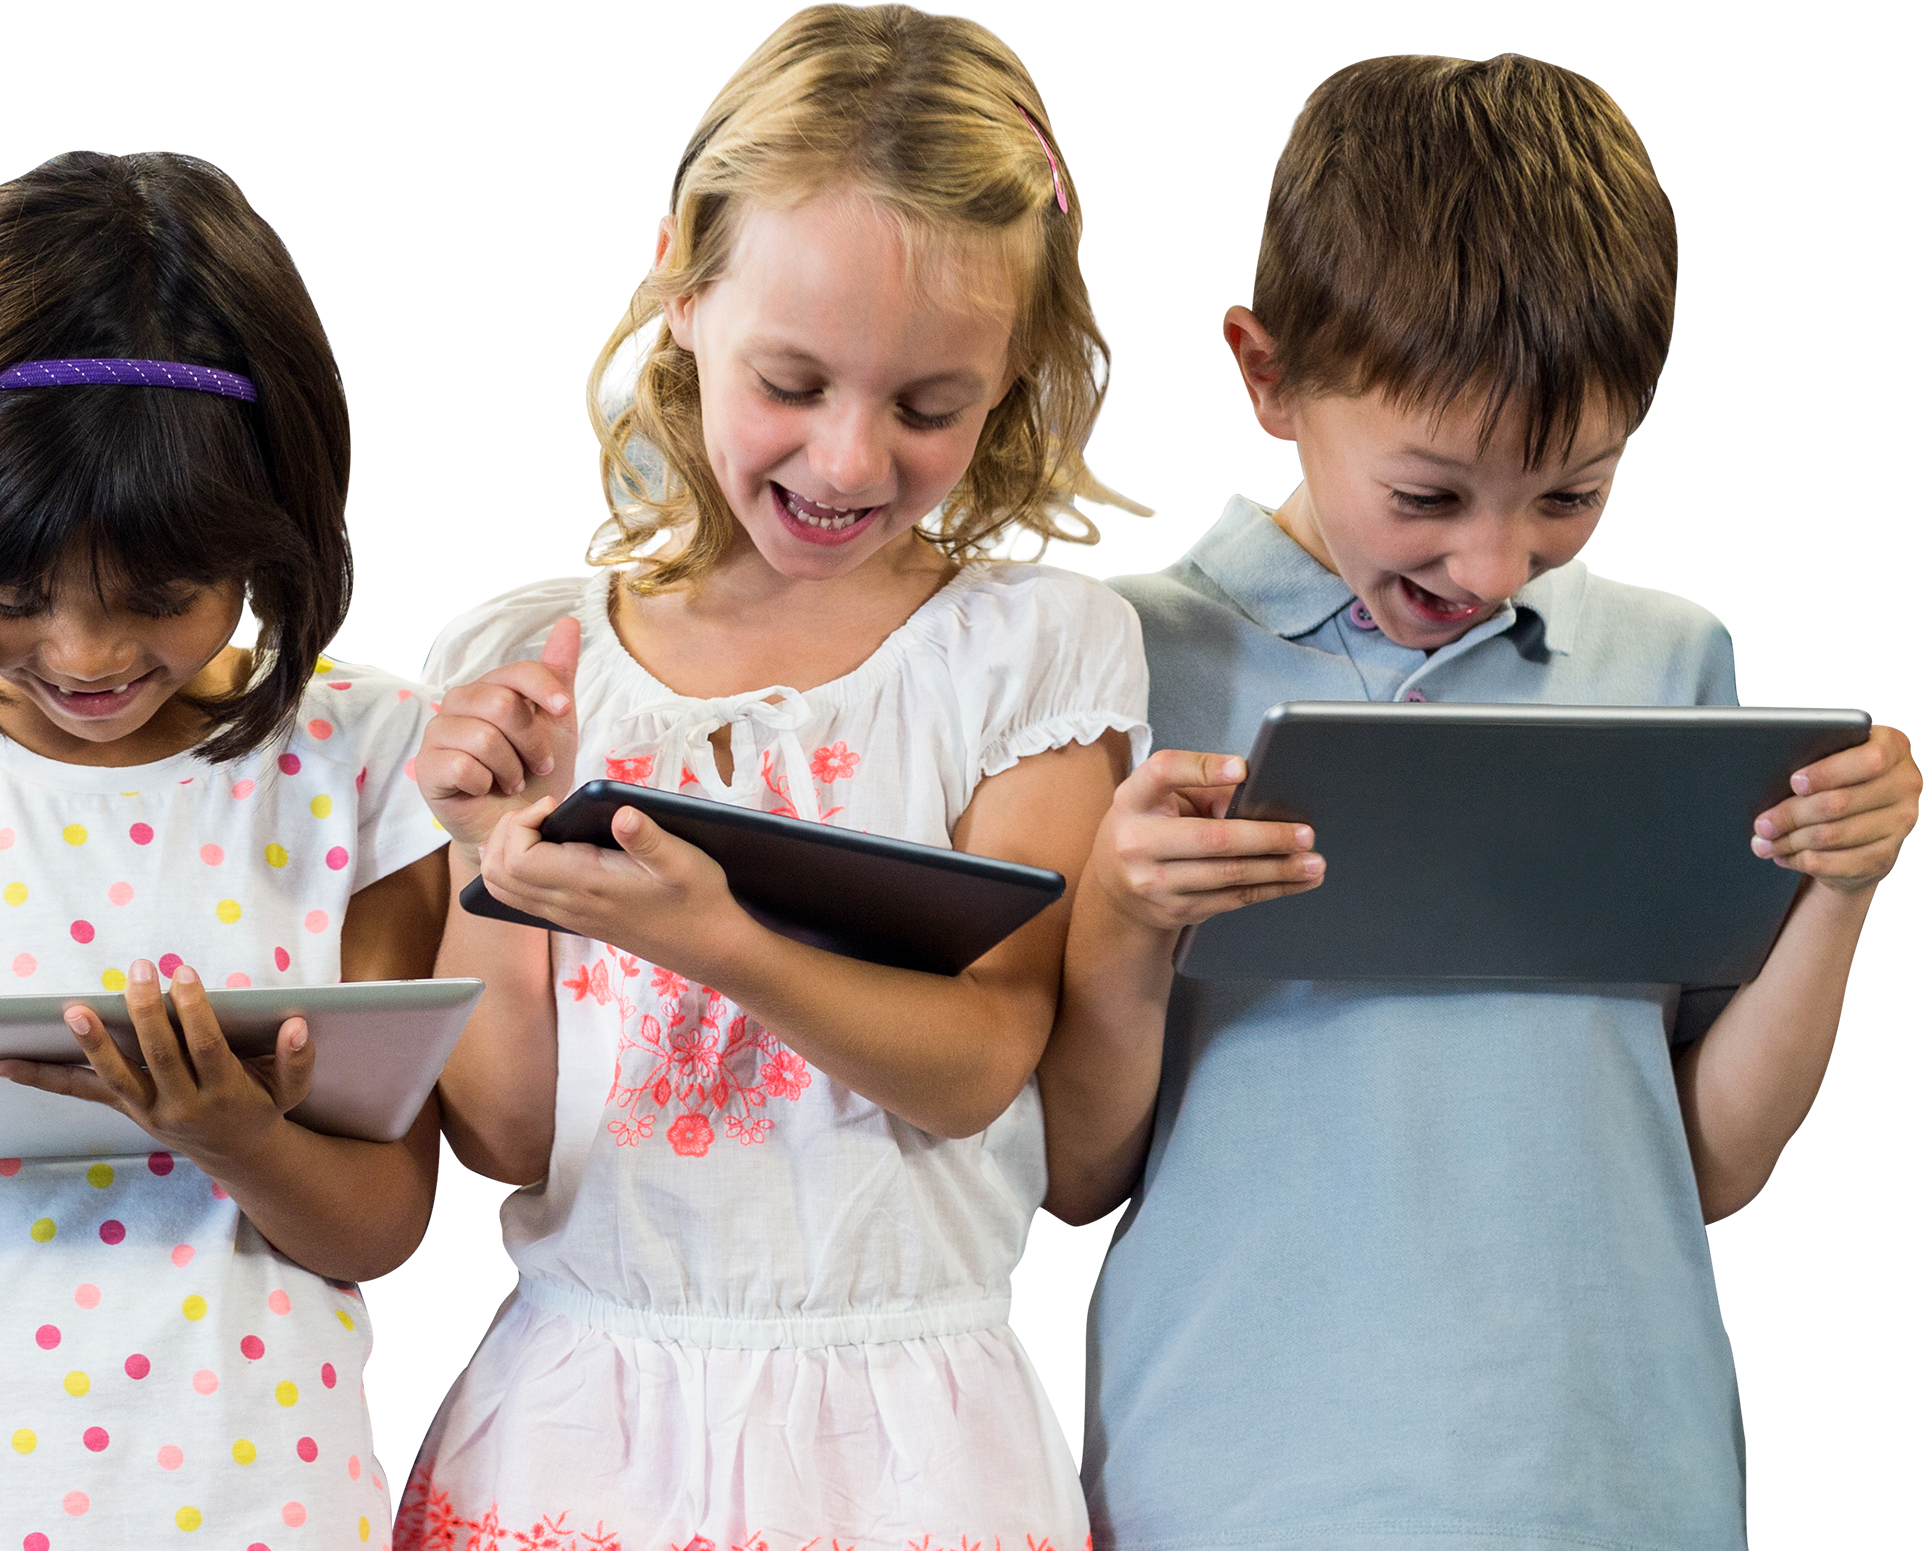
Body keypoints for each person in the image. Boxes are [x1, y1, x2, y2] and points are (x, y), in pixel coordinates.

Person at [1040, 53, 1921, 1548]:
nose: (1497, 566)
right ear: (1266, 375)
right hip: (1232, 1482)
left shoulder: (1670, 657)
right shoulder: (1112, 658)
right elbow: (1071, 1174)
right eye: (1430, 496)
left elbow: (1703, 1161)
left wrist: (1838, 884)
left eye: (1568, 494)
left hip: (1619, 1478)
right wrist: (1121, 914)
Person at [394, 6, 1151, 1544]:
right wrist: (494, 853)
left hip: (907, 1426)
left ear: (1010, 376)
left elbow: (975, 1064)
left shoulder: (1031, 650)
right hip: (578, 1410)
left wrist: (706, 932)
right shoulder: (525, 651)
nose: (850, 460)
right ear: (679, 287)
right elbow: (498, 1134)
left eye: (929, 405)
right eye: (791, 382)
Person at [0, 149, 452, 1551]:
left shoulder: (364, 752)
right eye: (7, 593)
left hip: (258, 1493)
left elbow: (381, 1226)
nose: (87, 654)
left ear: (274, 531)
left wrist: (227, 1133)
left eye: (161, 595)